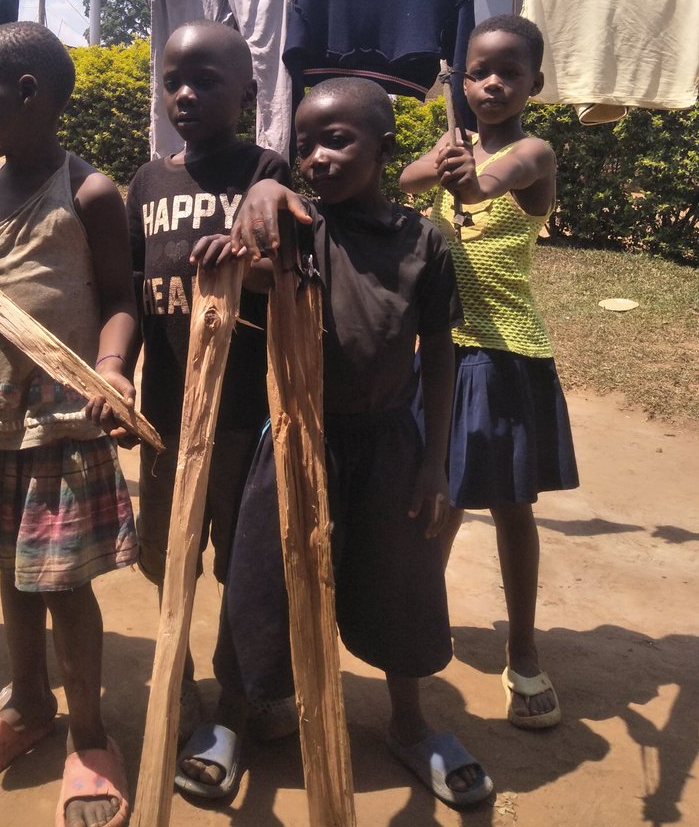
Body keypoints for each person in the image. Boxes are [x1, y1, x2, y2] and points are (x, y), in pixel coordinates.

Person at [204, 76, 493, 809]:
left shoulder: (422, 242)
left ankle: (408, 723)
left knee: (402, 583)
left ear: (385, 145)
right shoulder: (301, 227)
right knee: (259, 580)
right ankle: (233, 721)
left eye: (338, 139)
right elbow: (259, 225)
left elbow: (439, 348)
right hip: (299, 439)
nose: (318, 158)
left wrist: (434, 462)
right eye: (305, 145)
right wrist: (257, 208)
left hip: (392, 444)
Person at [0, 22, 138, 827]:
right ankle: (27, 704)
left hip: (59, 424)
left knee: (64, 582)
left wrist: (113, 370)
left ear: (30, 96)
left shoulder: (89, 193)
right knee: (13, 572)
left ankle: (89, 732)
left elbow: (120, 297)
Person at [400, 13, 579, 731]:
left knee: (511, 507)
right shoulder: (451, 147)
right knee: (433, 498)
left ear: (535, 82)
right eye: (478, 72)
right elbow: (408, 179)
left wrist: (464, 173)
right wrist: (439, 160)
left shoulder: (534, 152)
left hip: (505, 356)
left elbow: (487, 187)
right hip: (442, 352)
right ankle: (416, 624)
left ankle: (525, 649)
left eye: (509, 71)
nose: (492, 83)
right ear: (462, 80)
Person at [125, 19, 293, 766]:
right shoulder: (148, 181)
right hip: (166, 417)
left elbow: (294, 278)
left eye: (207, 81)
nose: (185, 94)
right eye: (173, 81)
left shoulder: (271, 174)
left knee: (242, 566)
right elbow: (128, 291)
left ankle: (235, 699)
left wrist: (251, 259)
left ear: (249, 93)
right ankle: (180, 682)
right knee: (170, 561)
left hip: (243, 421)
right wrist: (114, 373)